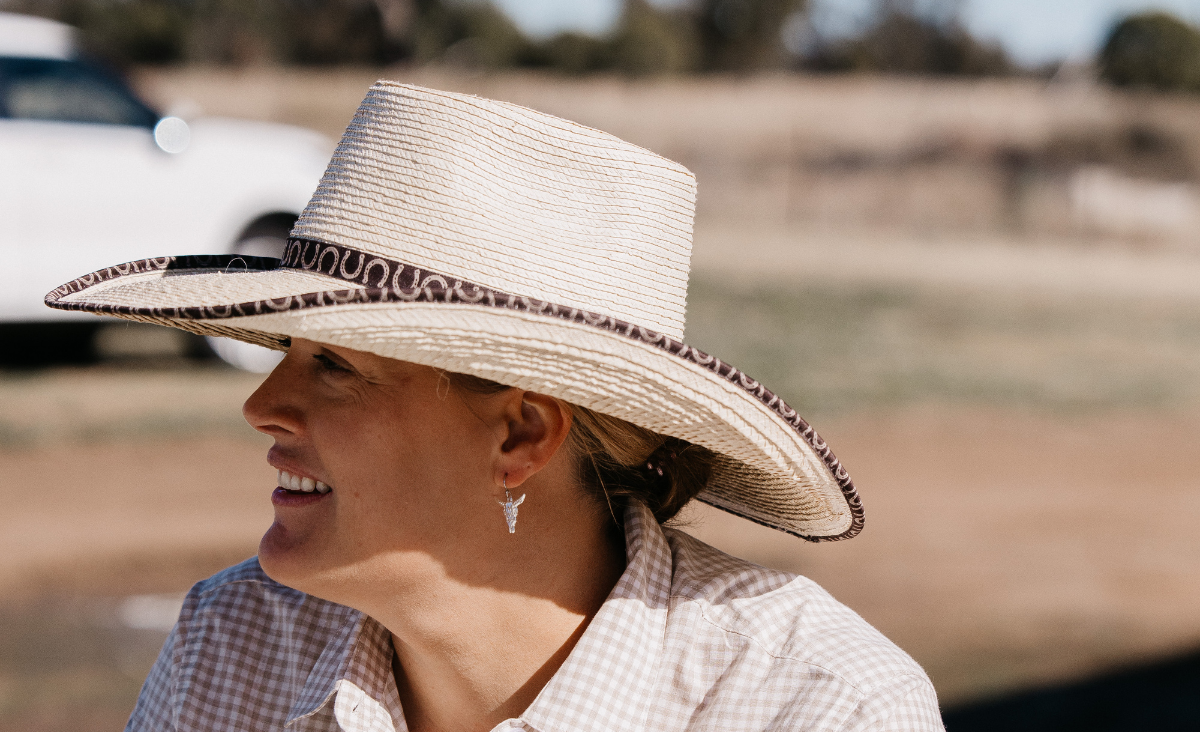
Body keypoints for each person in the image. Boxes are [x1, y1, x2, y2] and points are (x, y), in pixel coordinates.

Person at [46, 82, 943, 731]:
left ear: (520, 433)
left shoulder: (818, 707)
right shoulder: (237, 644)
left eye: (335, 366)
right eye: (287, 354)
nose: (263, 405)